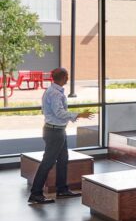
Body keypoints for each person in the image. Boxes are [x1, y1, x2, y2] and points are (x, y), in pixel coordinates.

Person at [28, 68, 94, 205]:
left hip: (57, 130)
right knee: (48, 162)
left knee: (63, 160)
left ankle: (62, 189)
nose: (68, 78)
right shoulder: (55, 93)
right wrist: (79, 115)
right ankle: (36, 193)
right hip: (55, 132)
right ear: (64, 77)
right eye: (67, 76)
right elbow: (59, 113)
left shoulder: (52, 91)